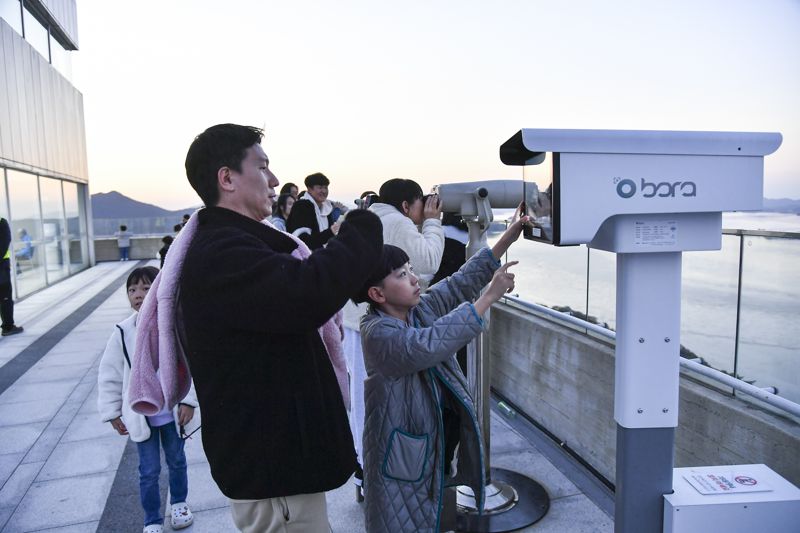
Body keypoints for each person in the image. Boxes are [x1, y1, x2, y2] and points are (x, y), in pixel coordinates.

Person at [154, 123, 382, 532]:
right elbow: (307, 294)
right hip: (274, 472)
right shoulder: (223, 254)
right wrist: (362, 228)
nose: (275, 180)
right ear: (227, 178)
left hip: (277, 465)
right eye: (262, 167)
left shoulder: (230, 246)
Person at [356, 211, 527, 533]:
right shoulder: (377, 332)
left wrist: (508, 237)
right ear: (377, 294)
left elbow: (458, 284)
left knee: (428, 509)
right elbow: (428, 345)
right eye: (401, 275)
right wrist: (490, 296)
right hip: (400, 448)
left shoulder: (416, 309)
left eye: (410, 270)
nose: (413, 279)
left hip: (429, 438)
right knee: (399, 517)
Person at [97, 266, 199, 533]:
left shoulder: (174, 325)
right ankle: (152, 518)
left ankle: (179, 503)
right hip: (142, 417)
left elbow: (190, 365)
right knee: (148, 470)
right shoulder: (122, 331)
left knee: (177, 460)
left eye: (145, 287)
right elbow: (110, 373)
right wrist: (112, 412)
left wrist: (188, 400)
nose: (138, 294)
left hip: (171, 412)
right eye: (132, 290)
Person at [368, 178, 444, 290]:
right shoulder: (398, 222)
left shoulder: (374, 217)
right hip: (387, 302)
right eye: (420, 200)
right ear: (406, 206)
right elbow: (430, 263)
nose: (424, 205)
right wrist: (432, 221)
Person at [286, 172, 348, 250]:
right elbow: (302, 240)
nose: (324, 191)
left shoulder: (326, 207)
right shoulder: (302, 206)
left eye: (325, 188)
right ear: (309, 189)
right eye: (320, 187)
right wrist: (330, 231)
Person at [1, 218, 23, 336]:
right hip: (2, 266)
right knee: (5, 297)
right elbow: (4, 243)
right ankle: (8, 327)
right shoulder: (1, 222)